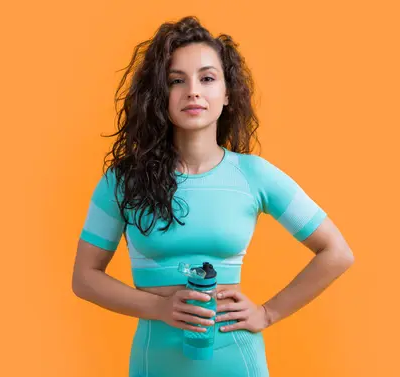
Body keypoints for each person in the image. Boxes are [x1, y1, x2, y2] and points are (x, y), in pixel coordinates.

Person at [72, 15, 354, 377]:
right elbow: (84, 277)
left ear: (226, 93)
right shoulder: (123, 181)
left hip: (237, 361)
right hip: (153, 364)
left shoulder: (253, 175)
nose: (193, 91)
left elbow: (337, 252)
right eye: (177, 81)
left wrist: (268, 313)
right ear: (160, 95)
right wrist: (159, 308)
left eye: (207, 78)